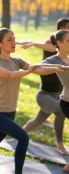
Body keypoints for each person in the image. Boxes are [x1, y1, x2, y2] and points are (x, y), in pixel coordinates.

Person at [0, 28, 65, 174]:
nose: (14, 42)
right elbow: (9, 75)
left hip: (10, 112)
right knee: (23, 137)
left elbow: (37, 69)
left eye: (14, 39)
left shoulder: (17, 60)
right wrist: (27, 71)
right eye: (9, 39)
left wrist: (56, 68)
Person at [21, 19, 69, 155]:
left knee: (38, 120)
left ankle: (20, 134)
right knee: (60, 112)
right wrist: (55, 68)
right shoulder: (53, 60)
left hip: (58, 96)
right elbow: (38, 69)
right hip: (44, 96)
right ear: (59, 43)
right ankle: (60, 144)